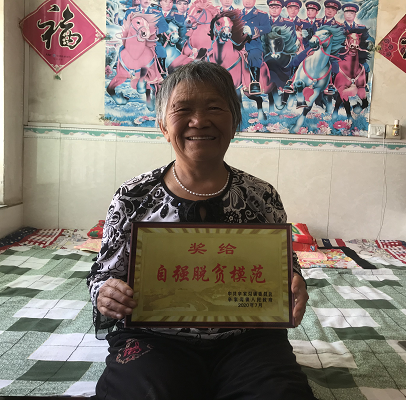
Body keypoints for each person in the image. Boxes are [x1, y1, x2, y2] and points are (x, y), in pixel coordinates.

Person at [88, 61, 315, 400]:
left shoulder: (261, 195)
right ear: (163, 126)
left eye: (214, 108)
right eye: (183, 109)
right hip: (155, 339)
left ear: (234, 122)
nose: (199, 120)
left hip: (248, 340)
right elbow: (102, 275)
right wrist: (106, 293)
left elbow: (285, 268)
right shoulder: (133, 196)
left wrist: (294, 283)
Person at [240, 0, 271, 94]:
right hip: (237, 44)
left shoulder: (261, 14)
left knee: (254, 55)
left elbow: (267, 28)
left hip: (253, 43)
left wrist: (252, 30)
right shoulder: (237, 13)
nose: (247, 2)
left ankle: (254, 82)